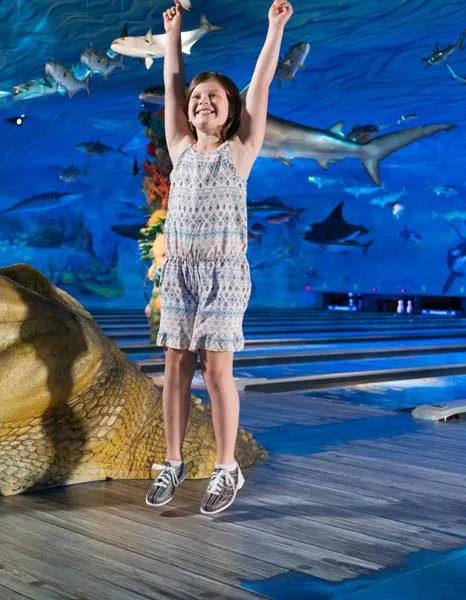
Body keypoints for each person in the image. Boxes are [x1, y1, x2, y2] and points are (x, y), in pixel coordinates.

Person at [145, 0, 293, 515]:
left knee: (216, 372)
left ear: (231, 110)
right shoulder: (180, 147)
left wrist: (274, 28)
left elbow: (261, 85)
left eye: (214, 97)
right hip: (181, 271)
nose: (202, 101)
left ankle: (226, 468)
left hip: (224, 272)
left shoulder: (241, 150)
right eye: (197, 98)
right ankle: (173, 461)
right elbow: (171, 83)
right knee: (175, 368)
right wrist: (174, 35)